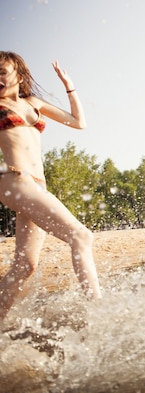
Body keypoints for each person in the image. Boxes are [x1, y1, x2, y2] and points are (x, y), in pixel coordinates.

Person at [0, 51, 102, 321]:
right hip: (16, 179)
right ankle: (99, 313)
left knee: (24, 266)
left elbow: (78, 122)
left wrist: (69, 86)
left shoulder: (33, 103)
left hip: (36, 186)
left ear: (18, 76)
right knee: (81, 236)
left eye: (2, 72)